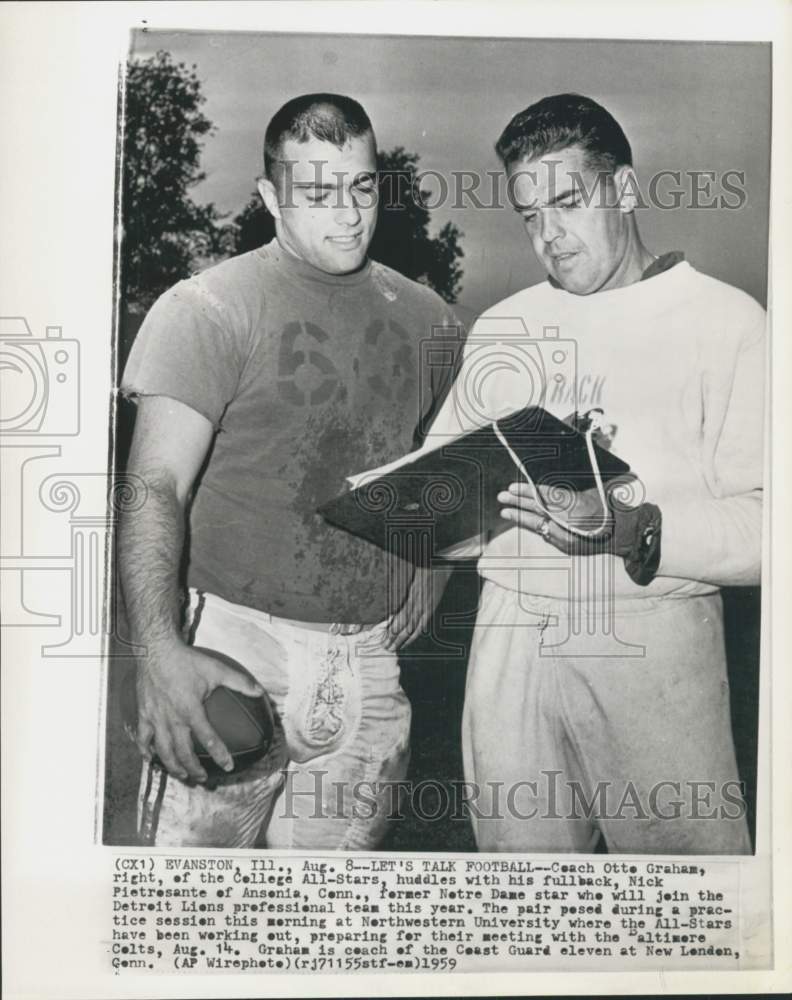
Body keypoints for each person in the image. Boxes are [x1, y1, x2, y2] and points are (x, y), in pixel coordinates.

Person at [420, 93, 764, 853]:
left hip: (652, 632)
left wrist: (632, 528)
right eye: (530, 215)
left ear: (626, 189)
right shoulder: (504, 325)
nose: (550, 235)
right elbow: (445, 487)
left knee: (685, 897)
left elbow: (770, 522)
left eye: (569, 201)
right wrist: (418, 515)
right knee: (522, 899)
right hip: (509, 625)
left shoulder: (728, 321)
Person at [118, 93, 460, 849]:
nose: (348, 213)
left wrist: (429, 565)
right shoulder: (206, 307)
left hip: (368, 661)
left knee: (326, 931)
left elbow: (434, 467)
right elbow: (155, 487)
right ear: (272, 195)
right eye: (317, 192)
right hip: (234, 643)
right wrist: (157, 653)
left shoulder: (430, 318)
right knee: (190, 919)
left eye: (363, 187)